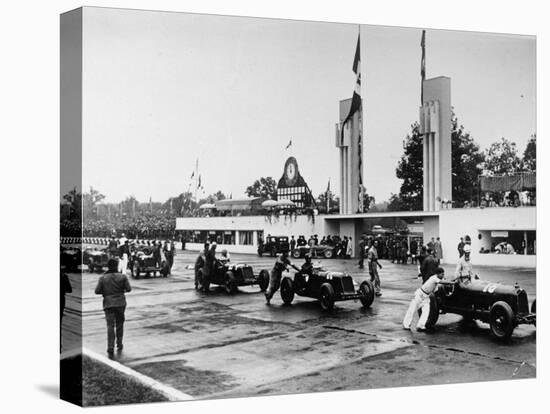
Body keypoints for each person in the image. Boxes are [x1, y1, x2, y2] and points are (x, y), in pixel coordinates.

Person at [95, 258, 132, 355]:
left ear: (108, 266)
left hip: (108, 303)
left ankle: (110, 346)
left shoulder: (103, 278)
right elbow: (128, 289)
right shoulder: (123, 277)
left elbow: (97, 291)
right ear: (116, 266)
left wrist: (106, 292)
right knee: (120, 324)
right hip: (120, 303)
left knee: (110, 325)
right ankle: (119, 344)